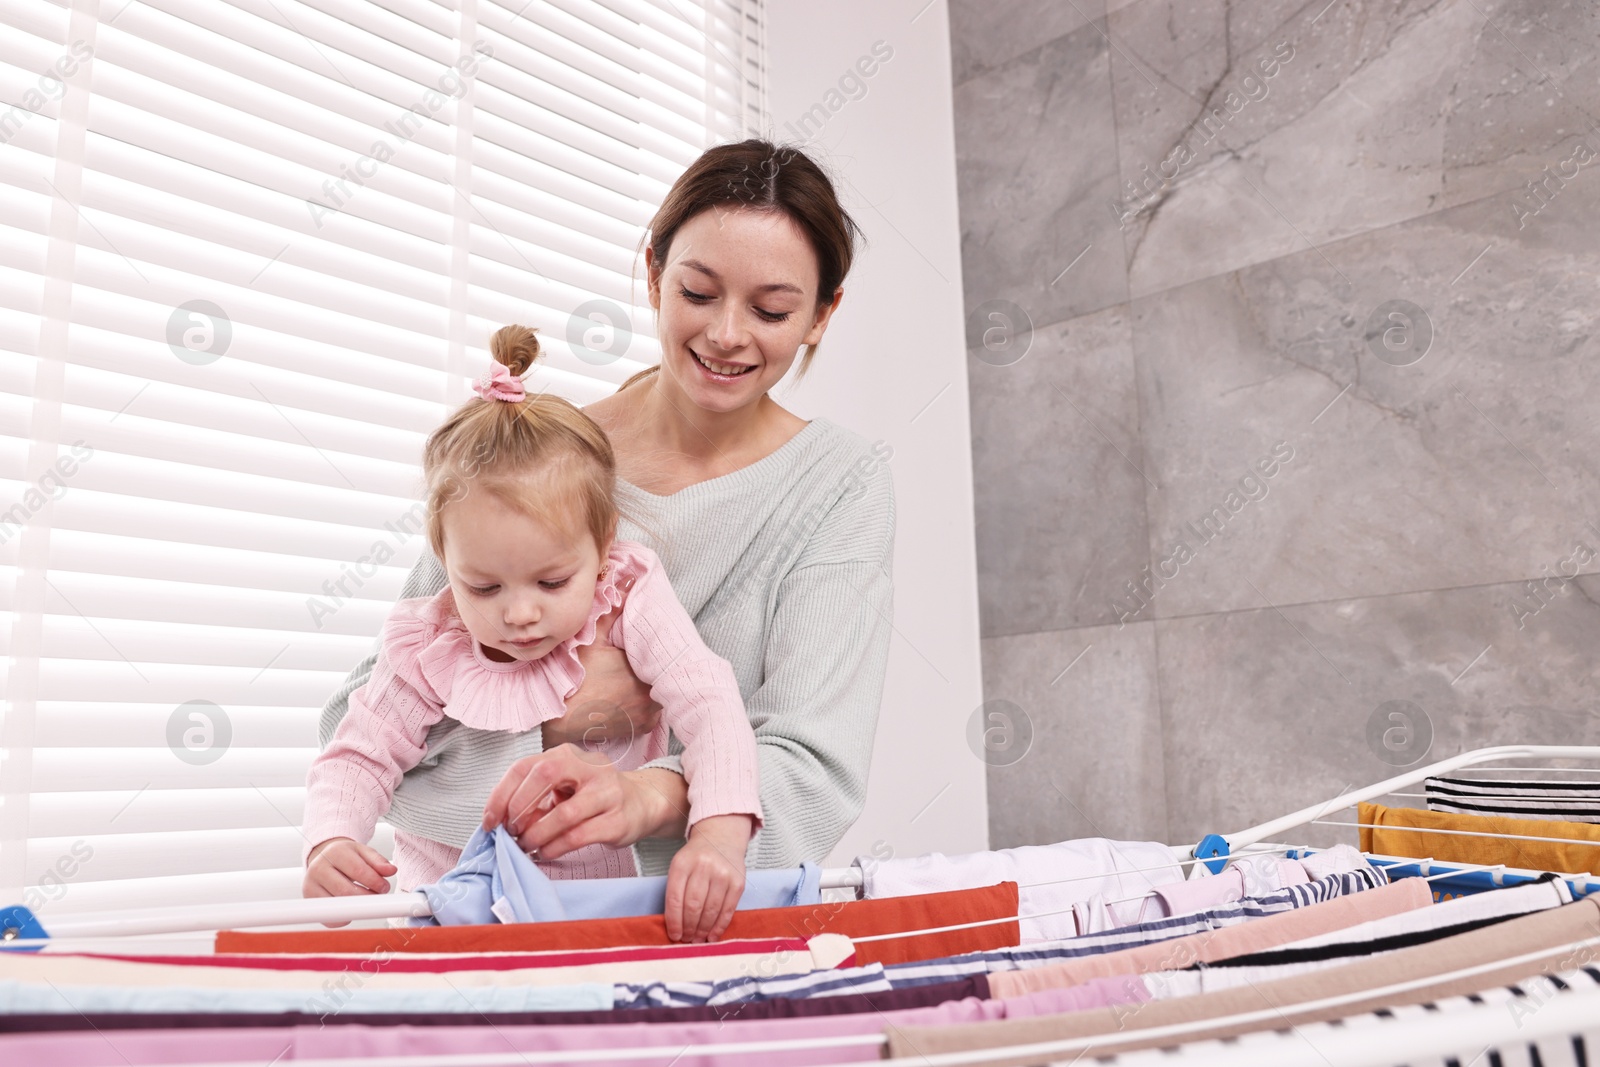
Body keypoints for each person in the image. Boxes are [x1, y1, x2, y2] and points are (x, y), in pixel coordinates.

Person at [318, 140, 896, 941]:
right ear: (655, 274)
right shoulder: (538, 458)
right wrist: (557, 729)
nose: (728, 334)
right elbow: (363, 723)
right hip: (476, 918)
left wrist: (646, 794)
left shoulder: (840, 484)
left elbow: (812, 770)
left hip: (693, 928)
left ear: (821, 314)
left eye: (770, 310)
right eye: (698, 291)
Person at [302, 325, 763, 942]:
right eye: (485, 588)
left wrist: (719, 836)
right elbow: (358, 754)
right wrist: (330, 842)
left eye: (551, 583)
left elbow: (707, 700)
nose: (519, 615)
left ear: (602, 551)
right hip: (448, 913)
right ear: (444, 560)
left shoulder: (626, 594)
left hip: (600, 908)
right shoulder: (429, 643)